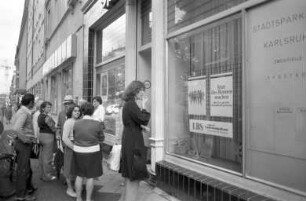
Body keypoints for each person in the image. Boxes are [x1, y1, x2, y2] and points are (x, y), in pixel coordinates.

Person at [119, 80, 151, 201]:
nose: (143, 95)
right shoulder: (131, 104)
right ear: (136, 90)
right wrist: (144, 106)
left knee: (129, 175)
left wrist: (141, 128)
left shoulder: (127, 104)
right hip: (133, 142)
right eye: (142, 92)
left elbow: (132, 122)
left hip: (129, 138)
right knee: (134, 175)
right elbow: (143, 118)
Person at [72, 102, 104, 201]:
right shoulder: (97, 124)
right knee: (90, 176)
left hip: (78, 150)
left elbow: (74, 136)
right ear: (92, 111)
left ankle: (78, 198)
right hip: (93, 151)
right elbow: (102, 138)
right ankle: (88, 199)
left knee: (79, 175)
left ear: (82, 111)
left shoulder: (76, 123)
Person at [12, 93, 37, 201]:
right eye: (33, 102)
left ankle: (28, 188)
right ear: (31, 102)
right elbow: (17, 128)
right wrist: (26, 139)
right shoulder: (24, 112)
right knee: (23, 170)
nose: (34, 103)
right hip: (23, 144)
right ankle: (21, 195)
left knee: (26, 168)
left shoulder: (22, 111)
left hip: (21, 143)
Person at [62, 104, 81, 197]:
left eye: (78, 111)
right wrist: (74, 147)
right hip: (71, 147)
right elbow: (65, 138)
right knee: (69, 169)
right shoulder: (68, 122)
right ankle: (69, 189)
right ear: (71, 112)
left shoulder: (78, 121)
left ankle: (74, 187)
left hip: (77, 147)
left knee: (75, 169)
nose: (77, 112)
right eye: (75, 111)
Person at [37, 101, 57, 181]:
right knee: (48, 158)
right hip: (48, 137)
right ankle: (48, 176)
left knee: (41, 157)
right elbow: (52, 127)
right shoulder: (47, 117)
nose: (49, 108)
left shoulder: (39, 116)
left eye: (50, 107)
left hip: (41, 136)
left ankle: (42, 174)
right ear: (43, 108)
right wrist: (57, 131)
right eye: (48, 107)